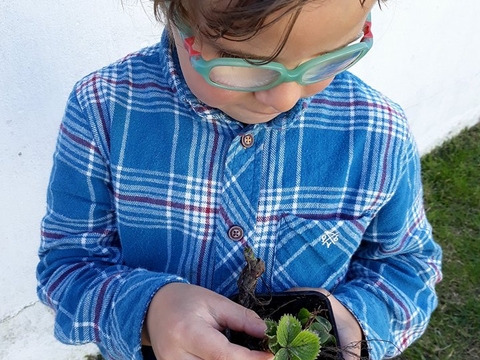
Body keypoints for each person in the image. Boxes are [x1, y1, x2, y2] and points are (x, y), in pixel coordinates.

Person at [36, 0, 442, 359]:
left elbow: (407, 266)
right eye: (242, 65)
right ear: (176, 14)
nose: (284, 97)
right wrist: (150, 311)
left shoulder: (378, 131)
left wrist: (352, 327)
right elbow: (68, 265)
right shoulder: (104, 110)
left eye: (328, 58)